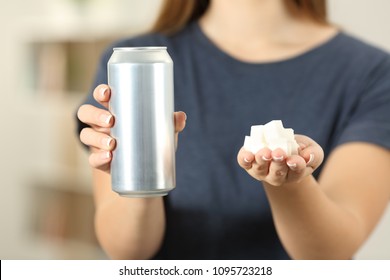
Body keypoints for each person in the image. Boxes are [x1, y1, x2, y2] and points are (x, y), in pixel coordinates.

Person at [76, 0, 390, 260]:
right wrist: (142, 171)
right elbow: (127, 252)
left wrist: (288, 181)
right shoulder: (135, 60)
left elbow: (333, 254)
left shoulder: (372, 73)